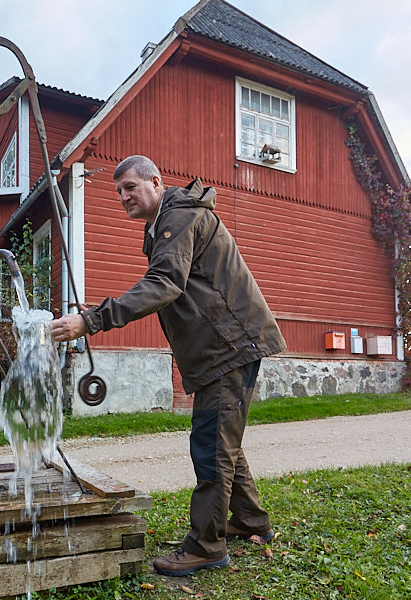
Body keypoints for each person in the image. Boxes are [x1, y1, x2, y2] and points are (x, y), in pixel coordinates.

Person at [50, 155, 287, 577]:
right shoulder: (166, 220)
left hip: (229, 346)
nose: (123, 197)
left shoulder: (177, 218)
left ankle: (206, 546)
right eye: (118, 191)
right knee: (221, 440)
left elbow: (163, 284)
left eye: (130, 188)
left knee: (211, 447)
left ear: (155, 182)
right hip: (224, 346)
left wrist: (91, 320)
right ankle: (252, 521)